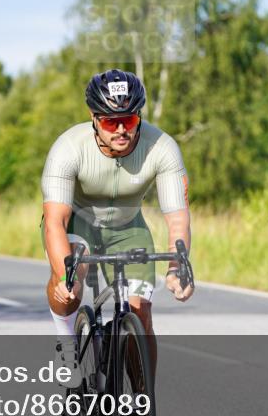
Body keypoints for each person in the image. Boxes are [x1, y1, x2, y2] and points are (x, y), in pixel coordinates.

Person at [41, 68, 194, 383]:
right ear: (94, 118)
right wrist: (65, 275)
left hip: (128, 227)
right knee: (70, 287)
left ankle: (141, 399)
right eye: (111, 122)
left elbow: (177, 216)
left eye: (130, 120)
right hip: (78, 222)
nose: (122, 129)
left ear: (139, 117)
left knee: (140, 312)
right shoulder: (68, 147)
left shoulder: (161, 147)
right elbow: (56, 220)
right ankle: (67, 343)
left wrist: (177, 268)